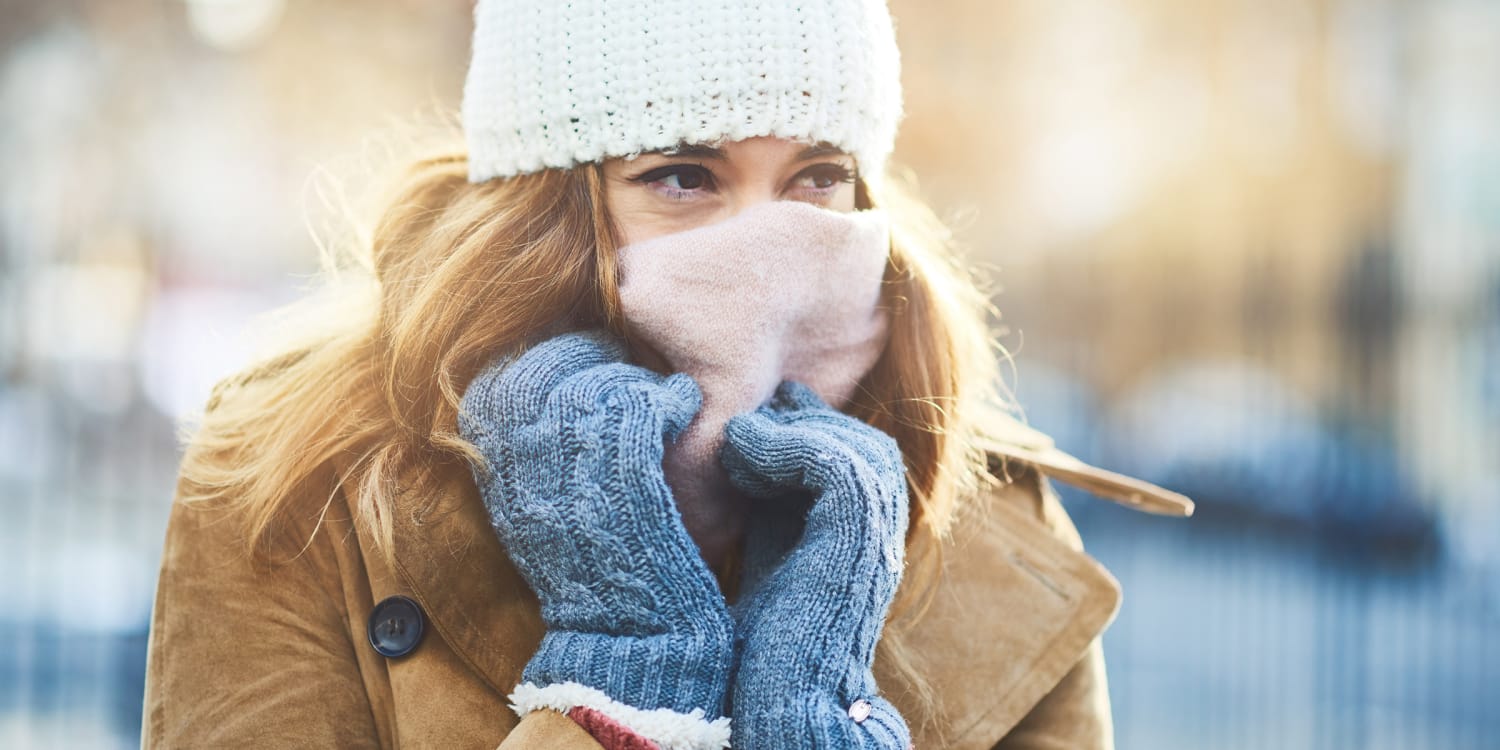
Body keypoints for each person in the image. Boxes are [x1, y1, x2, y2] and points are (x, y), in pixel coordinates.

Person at [140, 0, 1194, 748]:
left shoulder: (992, 521)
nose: (767, 246)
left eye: (816, 177)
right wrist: (620, 690)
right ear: (541, 209)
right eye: (682, 176)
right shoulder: (300, 481)